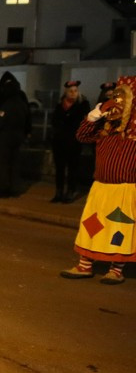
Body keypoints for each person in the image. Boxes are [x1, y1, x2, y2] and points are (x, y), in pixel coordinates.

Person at [59, 76, 135, 284]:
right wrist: (96, 114)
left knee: (120, 228)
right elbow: (82, 136)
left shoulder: (133, 133)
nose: (117, 103)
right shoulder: (105, 128)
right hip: (101, 186)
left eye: (121, 99)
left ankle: (116, 269)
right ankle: (85, 265)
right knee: (92, 225)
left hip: (125, 189)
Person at [0, 71, 30, 198]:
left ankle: (3, 188)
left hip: (5, 137)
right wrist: (27, 132)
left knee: (2, 163)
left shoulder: (6, 104)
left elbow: (0, 121)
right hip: (18, 136)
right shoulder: (21, 102)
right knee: (14, 163)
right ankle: (14, 187)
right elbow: (27, 119)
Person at [50, 80, 91, 203]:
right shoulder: (60, 105)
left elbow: (84, 122)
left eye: (75, 91)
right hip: (60, 141)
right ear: (66, 92)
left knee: (73, 168)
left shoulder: (83, 104)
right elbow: (54, 120)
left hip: (74, 141)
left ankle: (70, 191)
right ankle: (59, 191)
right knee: (60, 168)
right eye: (70, 91)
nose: (73, 93)